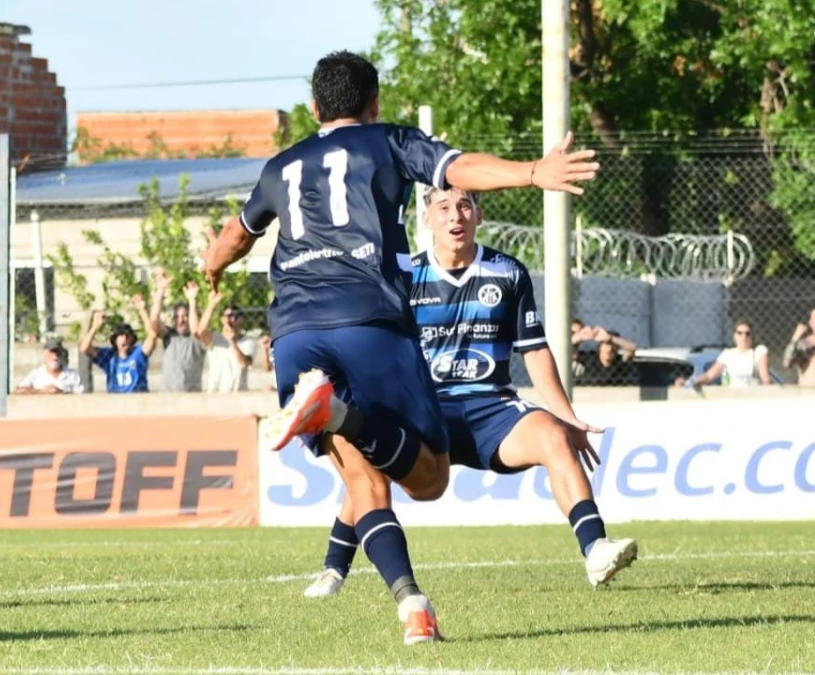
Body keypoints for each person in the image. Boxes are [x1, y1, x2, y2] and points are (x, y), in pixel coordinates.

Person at [200, 50, 599, 644]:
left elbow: (236, 235)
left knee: (363, 483)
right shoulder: (387, 141)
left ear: (313, 108)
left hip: (295, 335)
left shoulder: (280, 167)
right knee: (430, 480)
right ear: (375, 102)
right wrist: (533, 172)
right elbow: (461, 168)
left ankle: (413, 606)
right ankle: (338, 415)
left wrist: (211, 266)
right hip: (369, 321)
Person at [302, 186, 636, 600]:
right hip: (425, 410)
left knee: (554, 436)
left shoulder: (508, 272)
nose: (455, 216)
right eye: (443, 207)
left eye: (464, 205)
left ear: (479, 214)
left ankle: (596, 548)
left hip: (492, 409)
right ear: (427, 218)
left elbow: (534, 351)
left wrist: (568, 417)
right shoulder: (404, 278)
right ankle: (334, 569)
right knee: (373, 465)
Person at [150, 271, 216, 392]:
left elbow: (196, 330)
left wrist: (192, 301)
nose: (181, 321)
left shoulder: (197, 339)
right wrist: (160, 290)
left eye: (185, 316)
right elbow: (154, 321)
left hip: (191, 397)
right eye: (177, 317)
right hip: (167, 396)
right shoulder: (169, 336)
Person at [80, 295, 158, 393]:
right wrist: (95, 327)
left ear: (132, 339)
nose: (124, 339)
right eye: (120, 336)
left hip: (138, 398)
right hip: (116, 399)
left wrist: (142, 311)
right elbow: (84, 348)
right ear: (115, 340)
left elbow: (152, 336)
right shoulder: (109, 357)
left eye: (127, 336)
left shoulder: (138, 353)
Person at [683, 320, 772, 388]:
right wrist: (689, 382)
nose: (744, 337)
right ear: (734, 336)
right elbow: (709, 376)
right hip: (731, 397)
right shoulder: (728, 354)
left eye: (747, 334)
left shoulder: (758, 352)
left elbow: (765, 378)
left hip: (752, 397)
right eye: (740, 333)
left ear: (752, 336)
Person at [206, 303, 257, 393]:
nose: (232, 319)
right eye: (229, 316)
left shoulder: (248, 341)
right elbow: (199, 332)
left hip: (238, 394)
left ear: (241, 320)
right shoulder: (215, 339)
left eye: (236, 317)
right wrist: (211, 306)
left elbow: (245, 363)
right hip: (215, 393)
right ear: (222, 319)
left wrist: (232, 342)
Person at [16, 340, 85, 394]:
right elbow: (19, 391)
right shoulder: (36, 373)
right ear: (45, 354)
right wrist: (42, 391)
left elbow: (81, 395)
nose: (55, 356)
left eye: (58, 353)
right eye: (52, 352)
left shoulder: (73, 375)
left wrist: (61, 392)